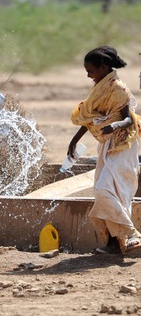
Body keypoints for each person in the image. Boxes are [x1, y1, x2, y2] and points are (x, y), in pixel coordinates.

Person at [67, 46, 141, 255]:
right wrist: (74, 140)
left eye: (91, 70)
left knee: (106, 190)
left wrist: (115, 126)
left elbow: (127, 118)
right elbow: (91, 117)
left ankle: (131, 234)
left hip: (123, 144)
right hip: (107, 144)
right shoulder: (98, 87)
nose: (88, 74)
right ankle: (113, 244)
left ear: (104, 66)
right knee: (108, 192)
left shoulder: (118, 88)